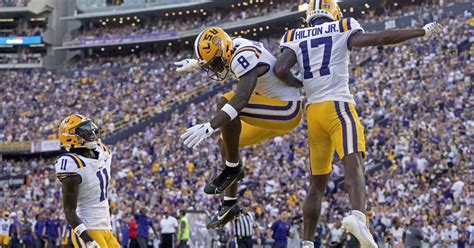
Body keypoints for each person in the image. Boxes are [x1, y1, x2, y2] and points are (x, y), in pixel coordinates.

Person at [272, 0, 442, 247]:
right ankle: (358, 217)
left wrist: (300, 85)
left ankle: (307, 243)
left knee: (317, 183)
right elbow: (381, 38)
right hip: (338, 105)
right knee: (355, 165)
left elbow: (279, 69)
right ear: (334, 12)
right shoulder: (343, 26)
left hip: (313, 111)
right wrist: (421, 31)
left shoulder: (294, 35)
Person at [176, 26, 303, 229]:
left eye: (216, 63)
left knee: (225, 102)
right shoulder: (231, 46)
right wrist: (196, 63)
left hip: (287, 110)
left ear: (225, 51)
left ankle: (233, 169)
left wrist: (210, 126)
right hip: (270, 110)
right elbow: (221, 54)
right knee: (226, 141)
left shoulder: (242, 56)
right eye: (211, 65)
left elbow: (241, 99)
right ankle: (230, 204)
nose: (216, 69)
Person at [55, 114, 120, 248]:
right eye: (84, 130)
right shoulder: (72, 164)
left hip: (106, 227)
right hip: (88, 227)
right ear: (70, 137)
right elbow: (69, 210)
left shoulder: (102, 151)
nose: (91, 133)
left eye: (90, 128)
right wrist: (88, 240)